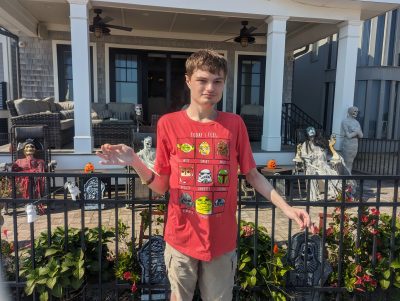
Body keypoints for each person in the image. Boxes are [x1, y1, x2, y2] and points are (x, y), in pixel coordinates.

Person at [97, 49, 314, 301]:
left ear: (223, 84)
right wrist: (134, 160)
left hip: (221, 242)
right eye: (202, 80)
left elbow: (253, 175)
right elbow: (161, 186)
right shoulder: (168, 124)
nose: (210, 87)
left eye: (217, 81)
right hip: (181, 239)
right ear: (188, 81)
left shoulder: (234, 125)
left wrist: (287, 209)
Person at [300, 127, 341, 200]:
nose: (312, 138)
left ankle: (332, 193)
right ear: (307, 136)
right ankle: (322, 193)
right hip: (313, 166)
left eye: (313, 136)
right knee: (319, 173)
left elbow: (324, 154)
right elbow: (304, 156)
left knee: (331, 172)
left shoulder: (319, 143)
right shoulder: (305, 144)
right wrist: (310, 159)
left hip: (323, 165)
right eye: (310, 136)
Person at [341, 106, 363, 173]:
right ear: (350, 112)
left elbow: (361, 135)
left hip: (355, 144)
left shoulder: (357, 122)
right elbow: (348, 136)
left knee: (351, 162)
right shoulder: (345, 121)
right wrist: (356, 132)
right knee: (347, 162)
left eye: (357, 111)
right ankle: (347, 178)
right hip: (348, 144)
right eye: (354, 111)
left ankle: (348, 178)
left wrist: (357, 132)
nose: (356, 113)